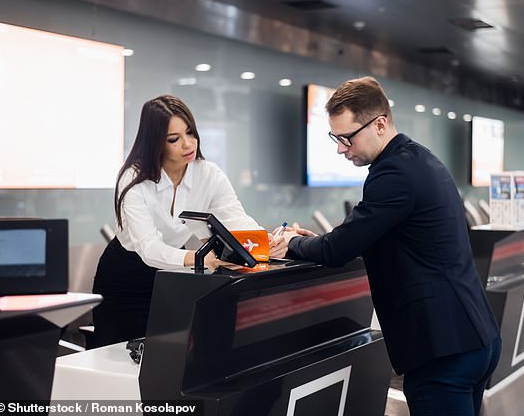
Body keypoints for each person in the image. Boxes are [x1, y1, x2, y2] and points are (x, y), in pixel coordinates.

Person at [281, 77, 501, 415]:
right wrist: (321, 241)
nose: (341, 148)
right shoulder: (419, 158)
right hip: (473, 337)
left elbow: (336, 251)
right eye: (335, 138)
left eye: (346, 137)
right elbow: (373, 234)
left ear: (380, 123)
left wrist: (290, 244)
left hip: (443, 349)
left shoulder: (393, 172)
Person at [92, 94, 287, 347]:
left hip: (172, 274)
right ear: (155, 143)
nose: (187, 144)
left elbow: (236, 218)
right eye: (174, 139)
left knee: (167, 357)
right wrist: (196, 258)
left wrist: (266, 241)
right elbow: (149, 249)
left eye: (190, 133)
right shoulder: (133, 180)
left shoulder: (208, 174)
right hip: (126, 277)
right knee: (115, 360)